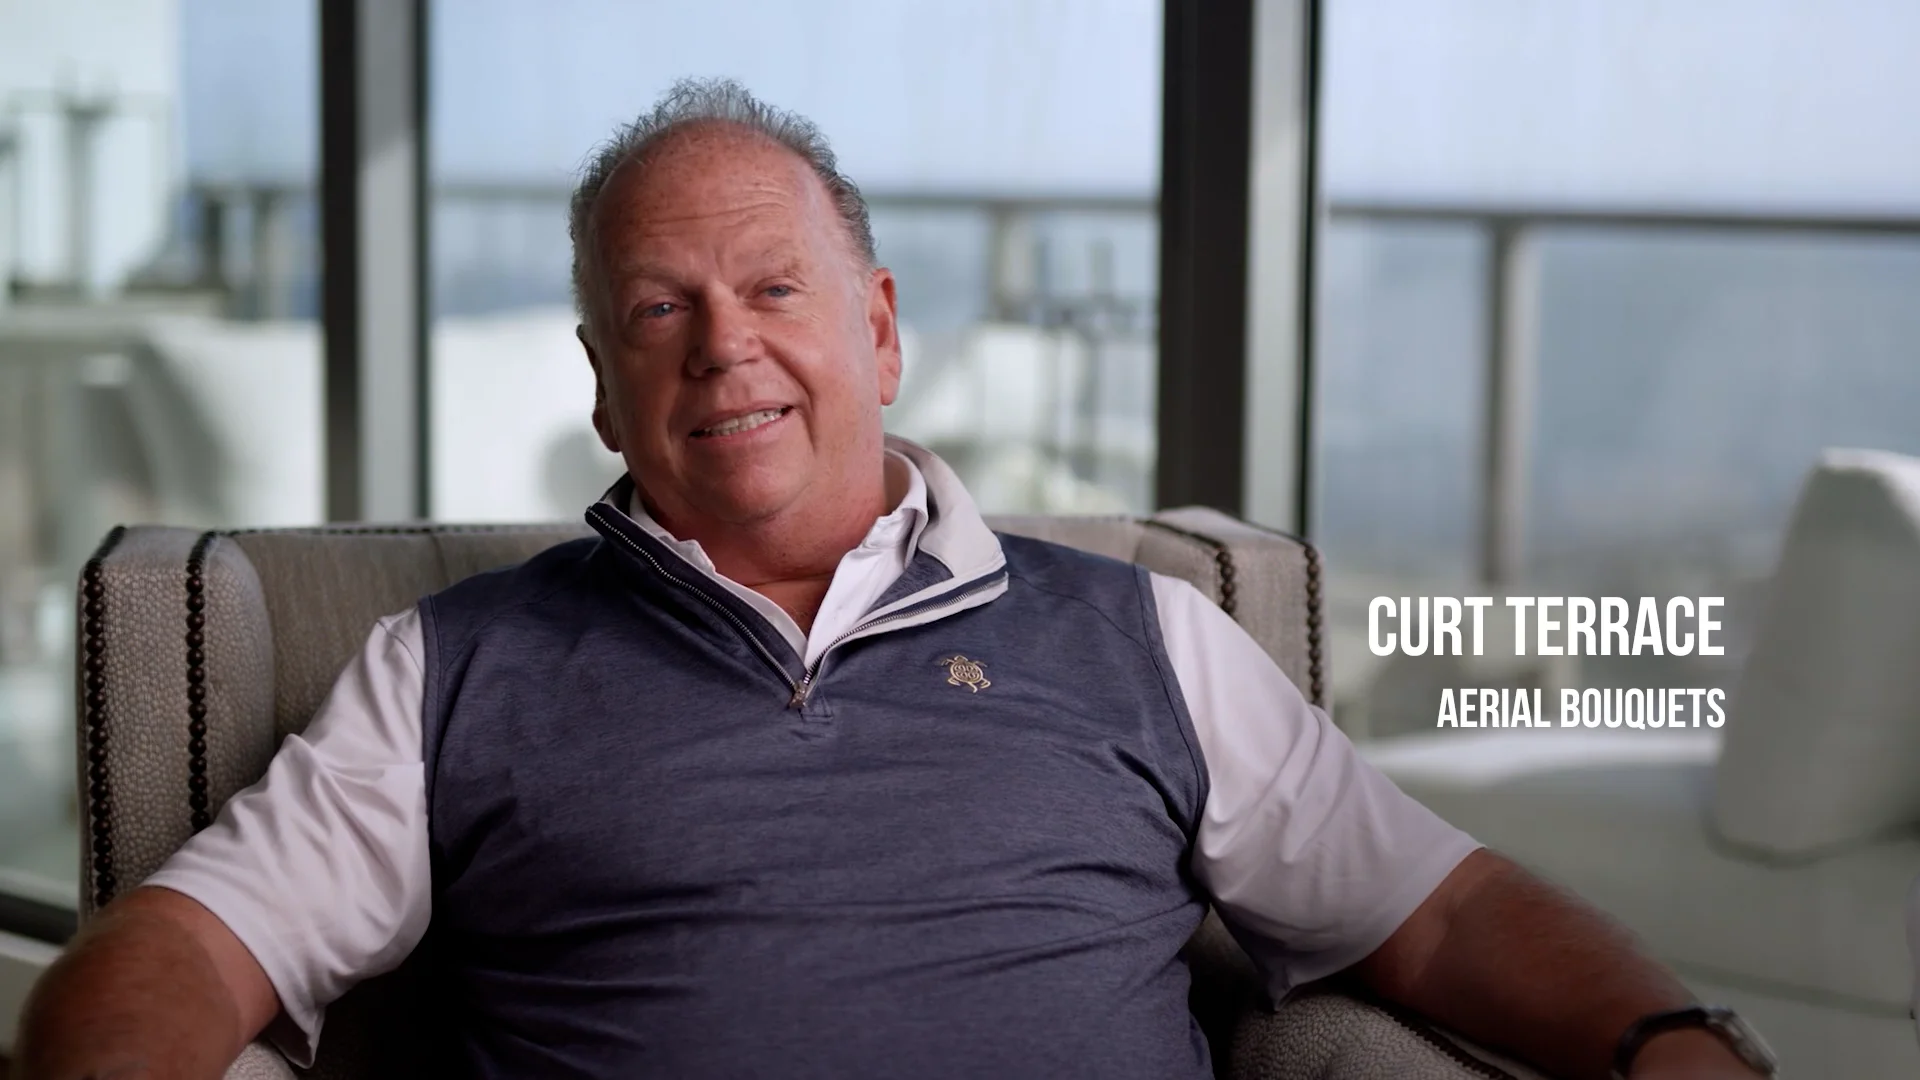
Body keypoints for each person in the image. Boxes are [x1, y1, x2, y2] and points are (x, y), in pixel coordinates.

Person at [19, 79, 1771, 1080]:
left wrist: (1668, 1041)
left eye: (774, 291)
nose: (723, 347)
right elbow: (186, 948)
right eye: (660, 310)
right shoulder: (453, 669)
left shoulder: (1142, 634)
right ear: (605, 388)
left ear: (877, 330)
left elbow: (1439, 911)